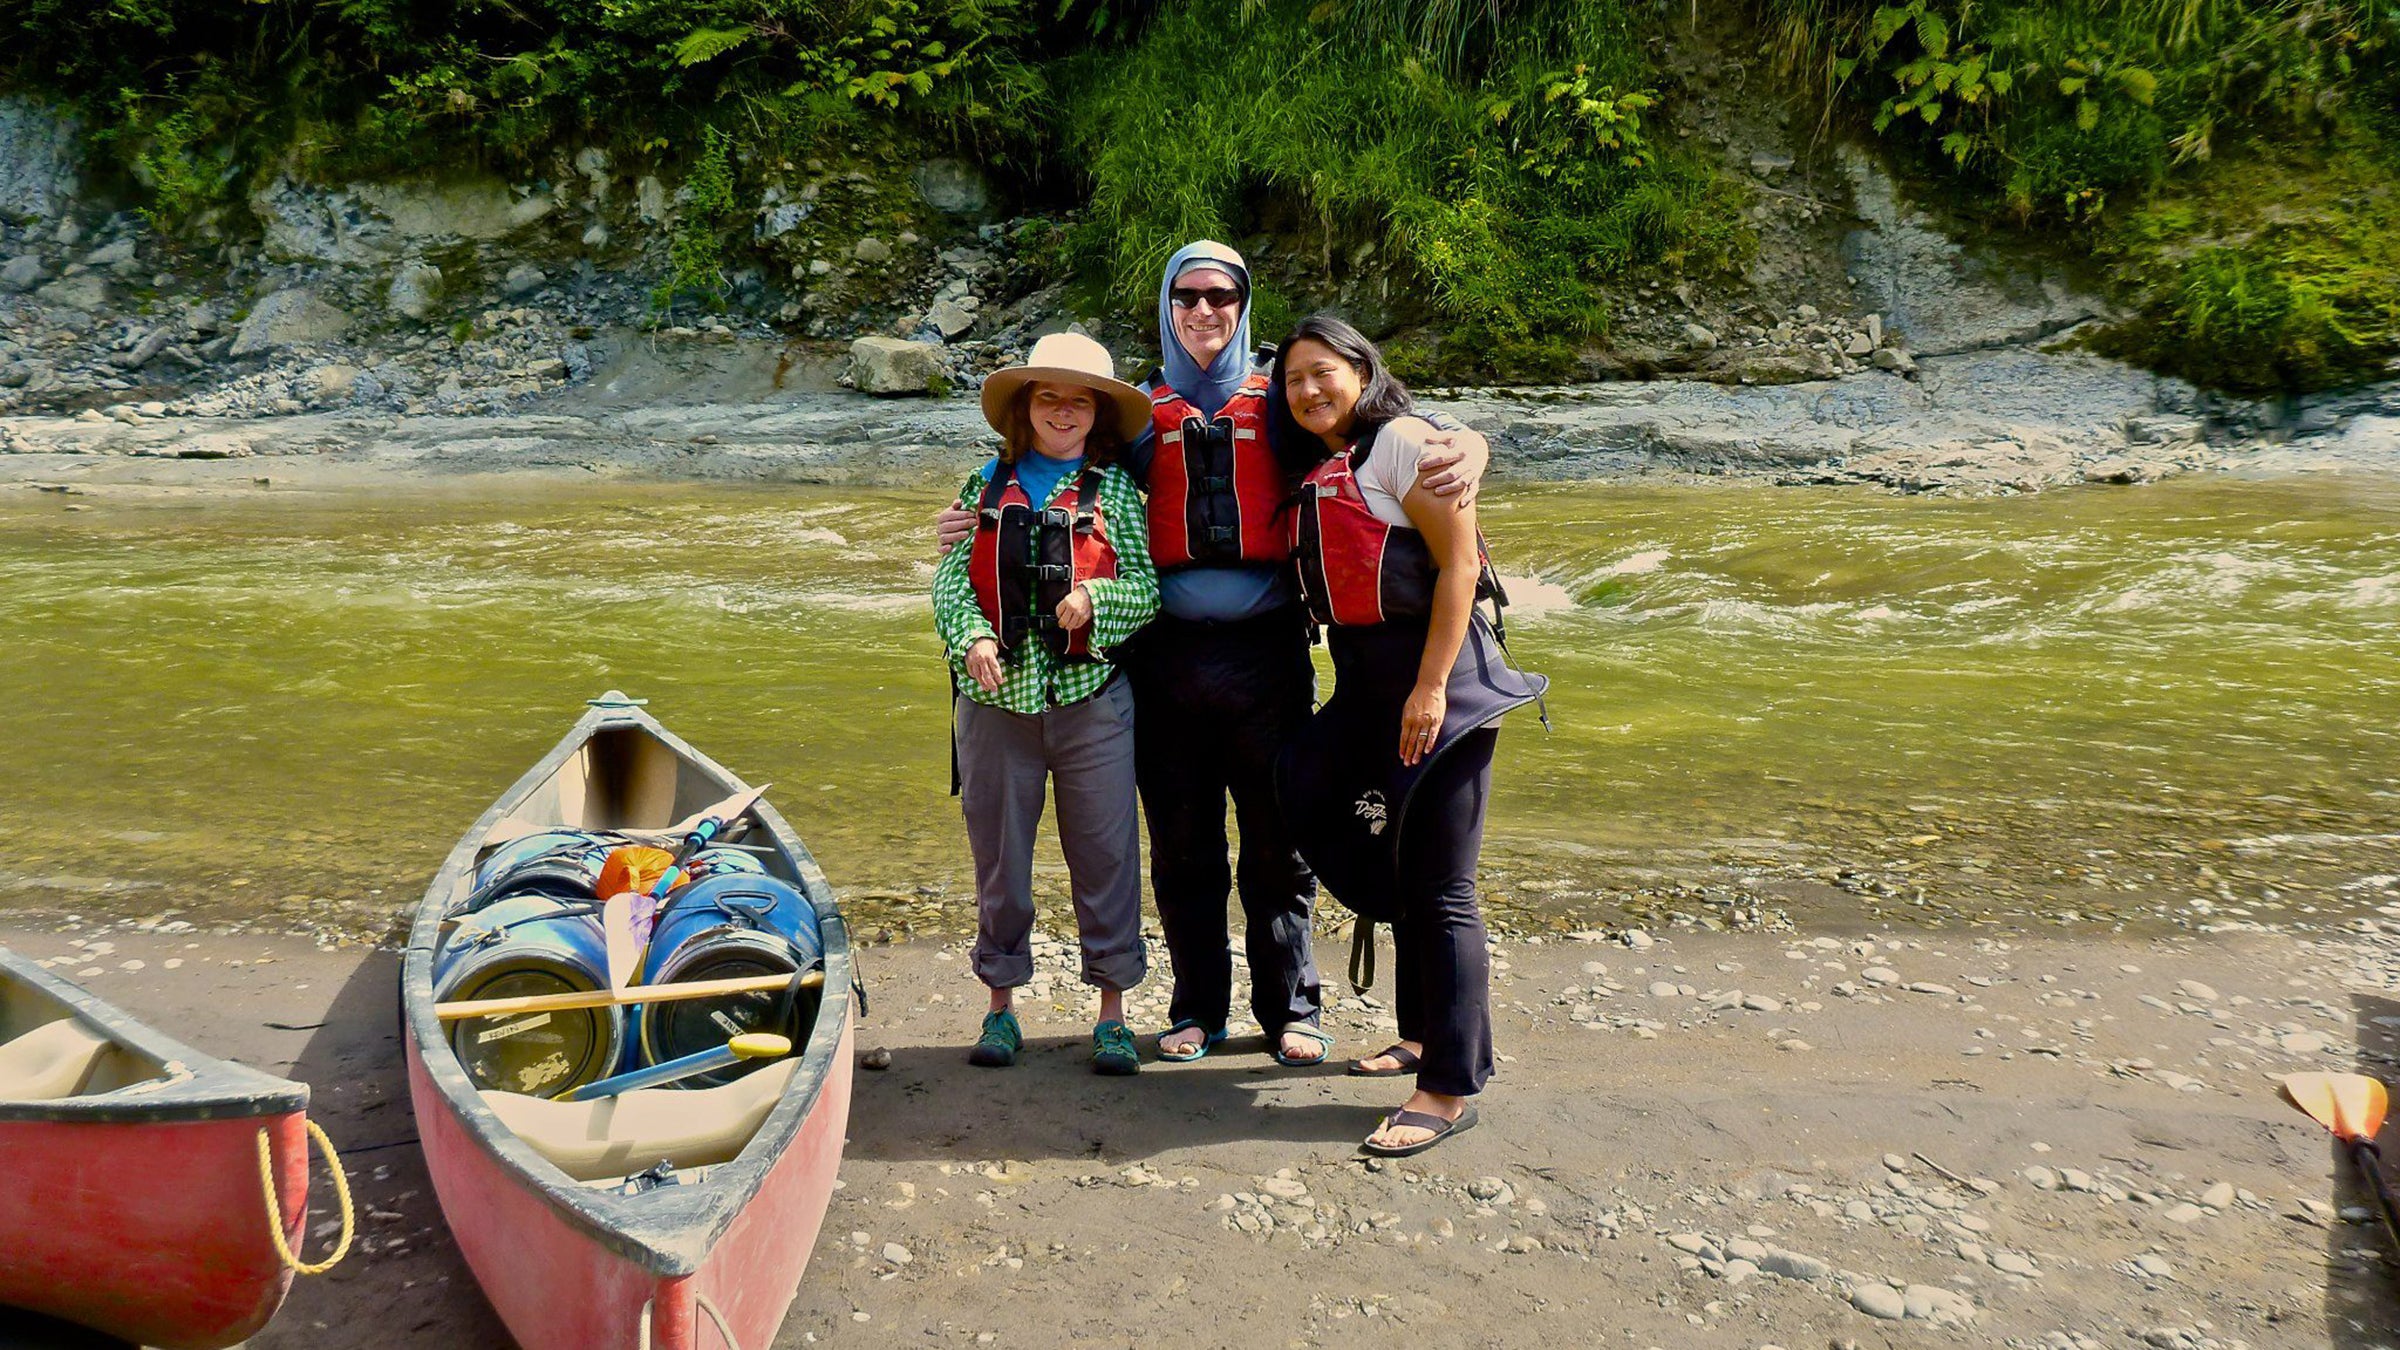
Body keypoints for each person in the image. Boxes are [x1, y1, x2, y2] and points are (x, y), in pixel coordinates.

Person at [937, 242, 1493, 1068]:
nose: (1205, 310)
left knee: (1278, 838)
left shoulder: (1286, 400)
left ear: (1243, 304)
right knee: (1183, 842)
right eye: (1187, 296)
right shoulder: (1136, 416)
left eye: (1222, 295)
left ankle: (1290, 1009)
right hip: (1160, 661)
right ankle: (1197, 1007)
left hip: (1267, 654)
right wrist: (962, 523)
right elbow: (1049, 476)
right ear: (1166, 306)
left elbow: (1387, 429)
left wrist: (1470, 442)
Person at [1270, 313, 1546, 1155]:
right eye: (1294, 381)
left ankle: (1449, 1086)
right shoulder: (1336, 462)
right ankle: (1422, 1034)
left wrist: (1430, 689)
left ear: (1362, 370)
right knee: (1318, 791)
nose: (1310, 391)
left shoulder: (1402, 443)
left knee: (1443, 887)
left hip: (1444, 683)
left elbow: (1459, 564)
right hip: (1369, 684)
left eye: (1325, 373)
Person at [932, 332, 1160, 1075]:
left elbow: (1148, 591)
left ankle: (1113, 1014)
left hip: (1091, 700)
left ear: (1098, 415)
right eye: (1048, 397)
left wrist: (1096, 597)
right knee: (1000, 862)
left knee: (1107, 856)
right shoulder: (978, 487)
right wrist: (971, 638)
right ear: (1024, 409)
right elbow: (951, 582)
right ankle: (1000, 1008)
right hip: (995, 706)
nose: (1063, 411)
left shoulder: (1118, 492)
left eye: (1080, 400)